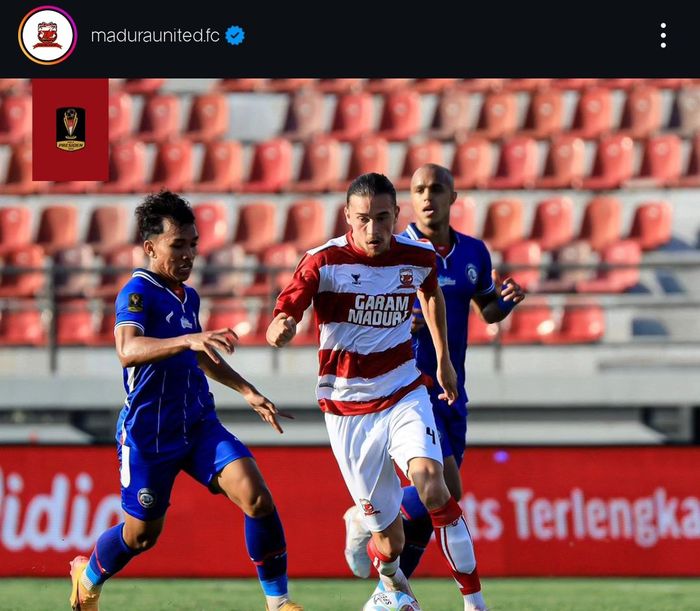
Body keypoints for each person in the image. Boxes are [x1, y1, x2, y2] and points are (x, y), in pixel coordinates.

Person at [69, 191, 302, 611]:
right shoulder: (137, 293)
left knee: (257, 496)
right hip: (149, 436)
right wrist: (187, 338)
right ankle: (86, 577)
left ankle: (279, 603)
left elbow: (197, 355)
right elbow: (128, 349)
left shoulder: (186, 295)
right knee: (141, 535)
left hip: (197, 425)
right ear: (150, 247)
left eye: (193, 244)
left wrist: (249, 391)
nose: (189, 254)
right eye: (178, 245)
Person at [266, 173, 487, 611]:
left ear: (395, 216)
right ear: (348, 217)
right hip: (348, 409)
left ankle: (475, 603)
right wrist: (282, 328)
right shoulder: (322, 261)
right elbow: (285, 309)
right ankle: (389, 581)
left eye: (382, 218)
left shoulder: (417, 255)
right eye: (363, 219)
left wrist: (442, 360)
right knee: (390, 541)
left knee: (435, 486)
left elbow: (431, 294)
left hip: (404, 390)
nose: (373, 230)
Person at [343, 164, 525, 601]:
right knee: (447, 489)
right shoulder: (397, 249)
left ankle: (390, 591)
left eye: (437, 189)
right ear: (410, 198)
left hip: (451, 387)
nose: (428, 197)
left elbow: (484, 309)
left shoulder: (473, 253)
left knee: (432, 507)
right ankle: (365, 520)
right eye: (420, 189)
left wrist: (504, 303)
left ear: (453, 197)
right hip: (409, 384)